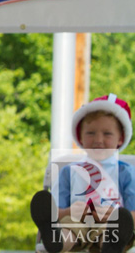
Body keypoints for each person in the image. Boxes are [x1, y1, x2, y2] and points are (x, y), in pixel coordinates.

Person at [31, 94, 135, 253]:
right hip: (77, 219)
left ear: (120, 138)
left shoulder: (125, 172)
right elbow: (56, 211)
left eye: (107, 134)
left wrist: (116, 214)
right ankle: (55, 241)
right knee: (69, 227)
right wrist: (69, 211)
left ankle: (111, 246)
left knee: (112, 230)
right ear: (80, 136)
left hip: (110, 223)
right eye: (90, 133)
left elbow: (132, 214)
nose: (98, 140)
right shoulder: (69, 171)